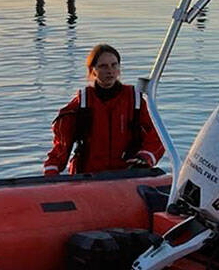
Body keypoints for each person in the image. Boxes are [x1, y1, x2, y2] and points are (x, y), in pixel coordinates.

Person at [44, 44, 165, 175]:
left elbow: (158, 136)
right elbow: (61, 146)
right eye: (103, 66)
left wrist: (144, 158)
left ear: (119, 68)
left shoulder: (135, 100)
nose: (110, 71)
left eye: (114, 65)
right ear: (93, 70)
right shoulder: (81, 103)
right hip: (88, 176)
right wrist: (51, 172)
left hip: (126, 175)